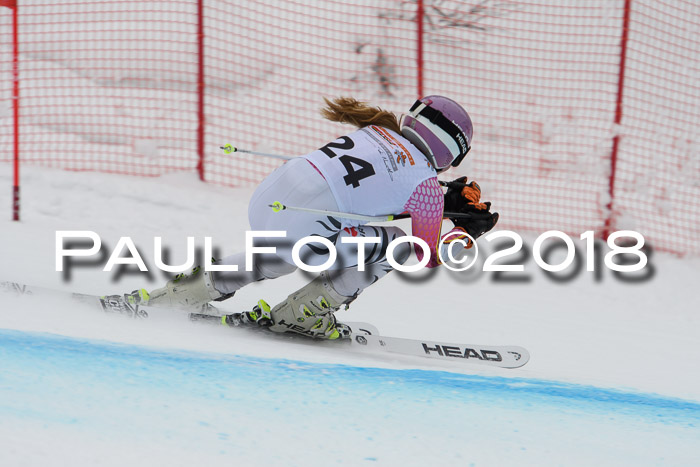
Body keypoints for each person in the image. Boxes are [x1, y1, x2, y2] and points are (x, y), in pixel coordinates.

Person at [124, 96, 498, 339]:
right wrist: (466, 231)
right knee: (398, 247)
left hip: (267, 200)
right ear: (452, 152)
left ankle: (183, 293)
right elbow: (426, 255)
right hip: (306, 228)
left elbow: (381, 185)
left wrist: (440, 195)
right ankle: (303, 313)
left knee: (281, 253)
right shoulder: (426, 187)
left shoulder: (378, 130)